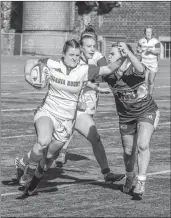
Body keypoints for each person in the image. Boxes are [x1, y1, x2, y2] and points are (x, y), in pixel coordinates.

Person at [18, 39, 125, 196]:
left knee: (48, 158)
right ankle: (29, 169)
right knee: (43, 141)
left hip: (67, 120)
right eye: (71, 55)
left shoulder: (84, 69)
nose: (74, 58)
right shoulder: (52, 64)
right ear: (63, 54)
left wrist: (127, 55)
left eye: (77, 55)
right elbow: (31, 61)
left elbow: (109, 68)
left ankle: (32, 176)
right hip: (48, 111)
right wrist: (28, 75)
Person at [103, 42, 160, 198]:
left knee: (142, 145)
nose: (109, 56)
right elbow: (87, 74)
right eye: (109, 53)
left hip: (146, 112)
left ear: (123, 56)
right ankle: (130, 176)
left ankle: (141, 181)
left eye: (112, 53)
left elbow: (141, 68)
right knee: (128, 151)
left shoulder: (133, 70)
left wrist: (128, 52)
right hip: (126, 117)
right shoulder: (109, 74)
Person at [55, 25, 111, 167]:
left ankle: (104, 168)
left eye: (93, 42)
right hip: (76, 93)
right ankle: (62, 152)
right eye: (88, 42)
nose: (91, 46)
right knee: (70, 124)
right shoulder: (75, 55)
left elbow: (106, 75)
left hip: (90, 95)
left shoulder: (98, 56)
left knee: (84, 127)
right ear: (82, 43)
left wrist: (94, 78)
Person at [136, 26, 161, 95]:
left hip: (153, 63)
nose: (148, 33)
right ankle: (144, 95)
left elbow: (158, 51)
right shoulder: (141, 41)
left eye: (149, 32)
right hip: (144, 62)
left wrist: (151, 50)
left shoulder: (156, 41)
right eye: (147, 32)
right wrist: (139, 51)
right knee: (144, 80)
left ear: (152, 33)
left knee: (151, 81)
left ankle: (150, 95)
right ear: (144, 33)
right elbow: (138, 51)